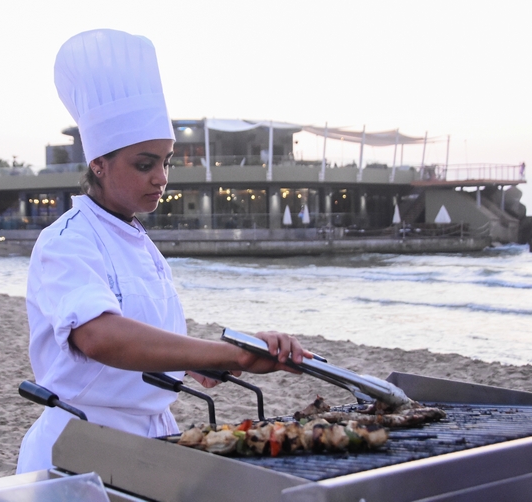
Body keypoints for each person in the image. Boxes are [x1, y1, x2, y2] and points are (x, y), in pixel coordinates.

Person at [16, 29, 311, 474]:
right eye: (145, 164)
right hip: (84, 442)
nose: (162, 178)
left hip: (155, 438)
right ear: (98, 163)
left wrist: (198, 364)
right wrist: (221, 353)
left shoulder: (135, 237)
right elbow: (99, 337)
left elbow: (146, 336)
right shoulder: (67, 240)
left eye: (166, 161)